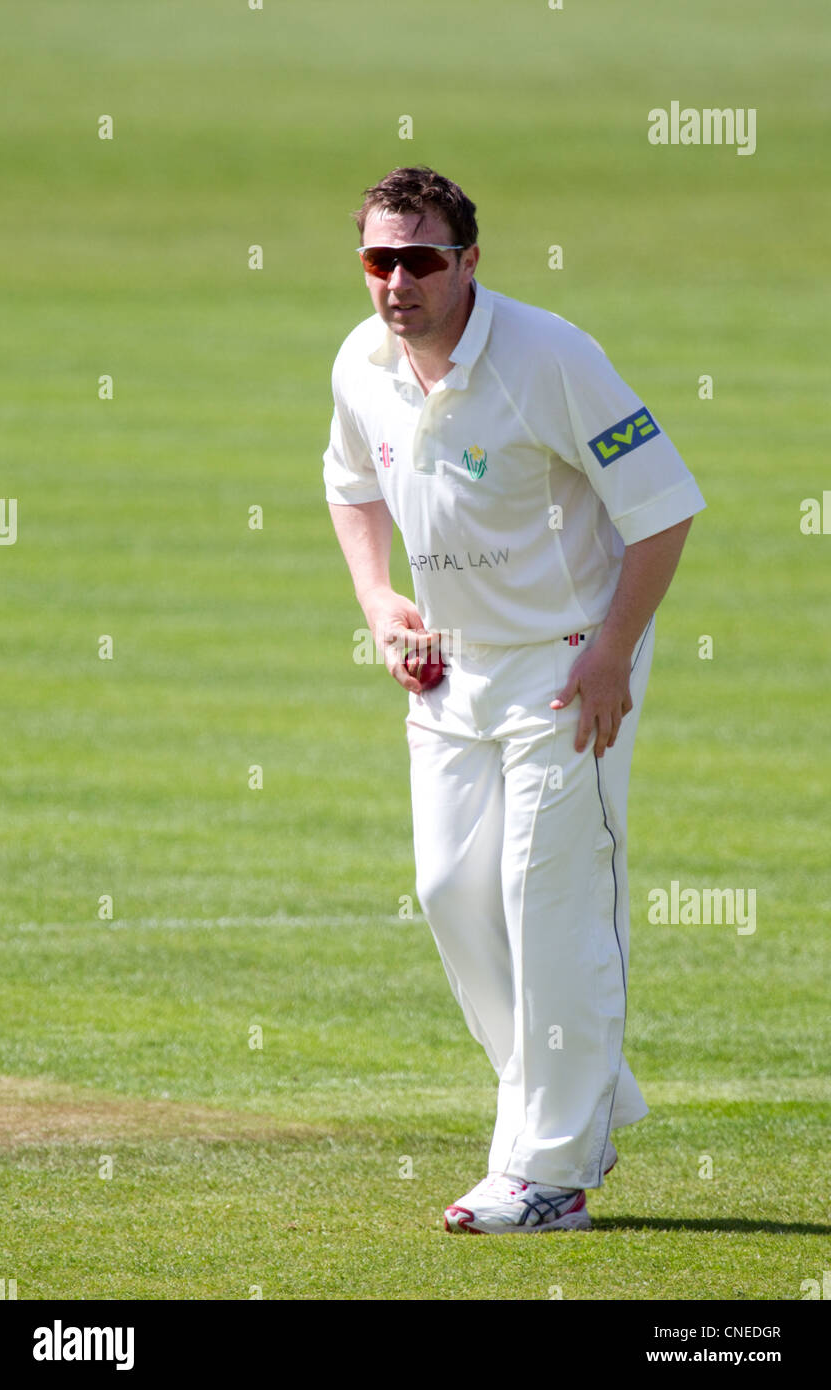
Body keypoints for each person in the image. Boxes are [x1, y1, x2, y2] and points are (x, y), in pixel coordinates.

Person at [323, 166, 705, 1234]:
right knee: (449, 887)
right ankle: (592, 1100)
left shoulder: (552, 357)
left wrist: (611, 653)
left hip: (566, 662)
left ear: (468, 262)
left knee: (549, 901)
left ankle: (548, 1169)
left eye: (421, 260)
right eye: (379, 260)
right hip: (449, 666)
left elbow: (663, 509)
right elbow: (348, 481)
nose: (398, 281)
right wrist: (378, 599)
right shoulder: (361, 362)